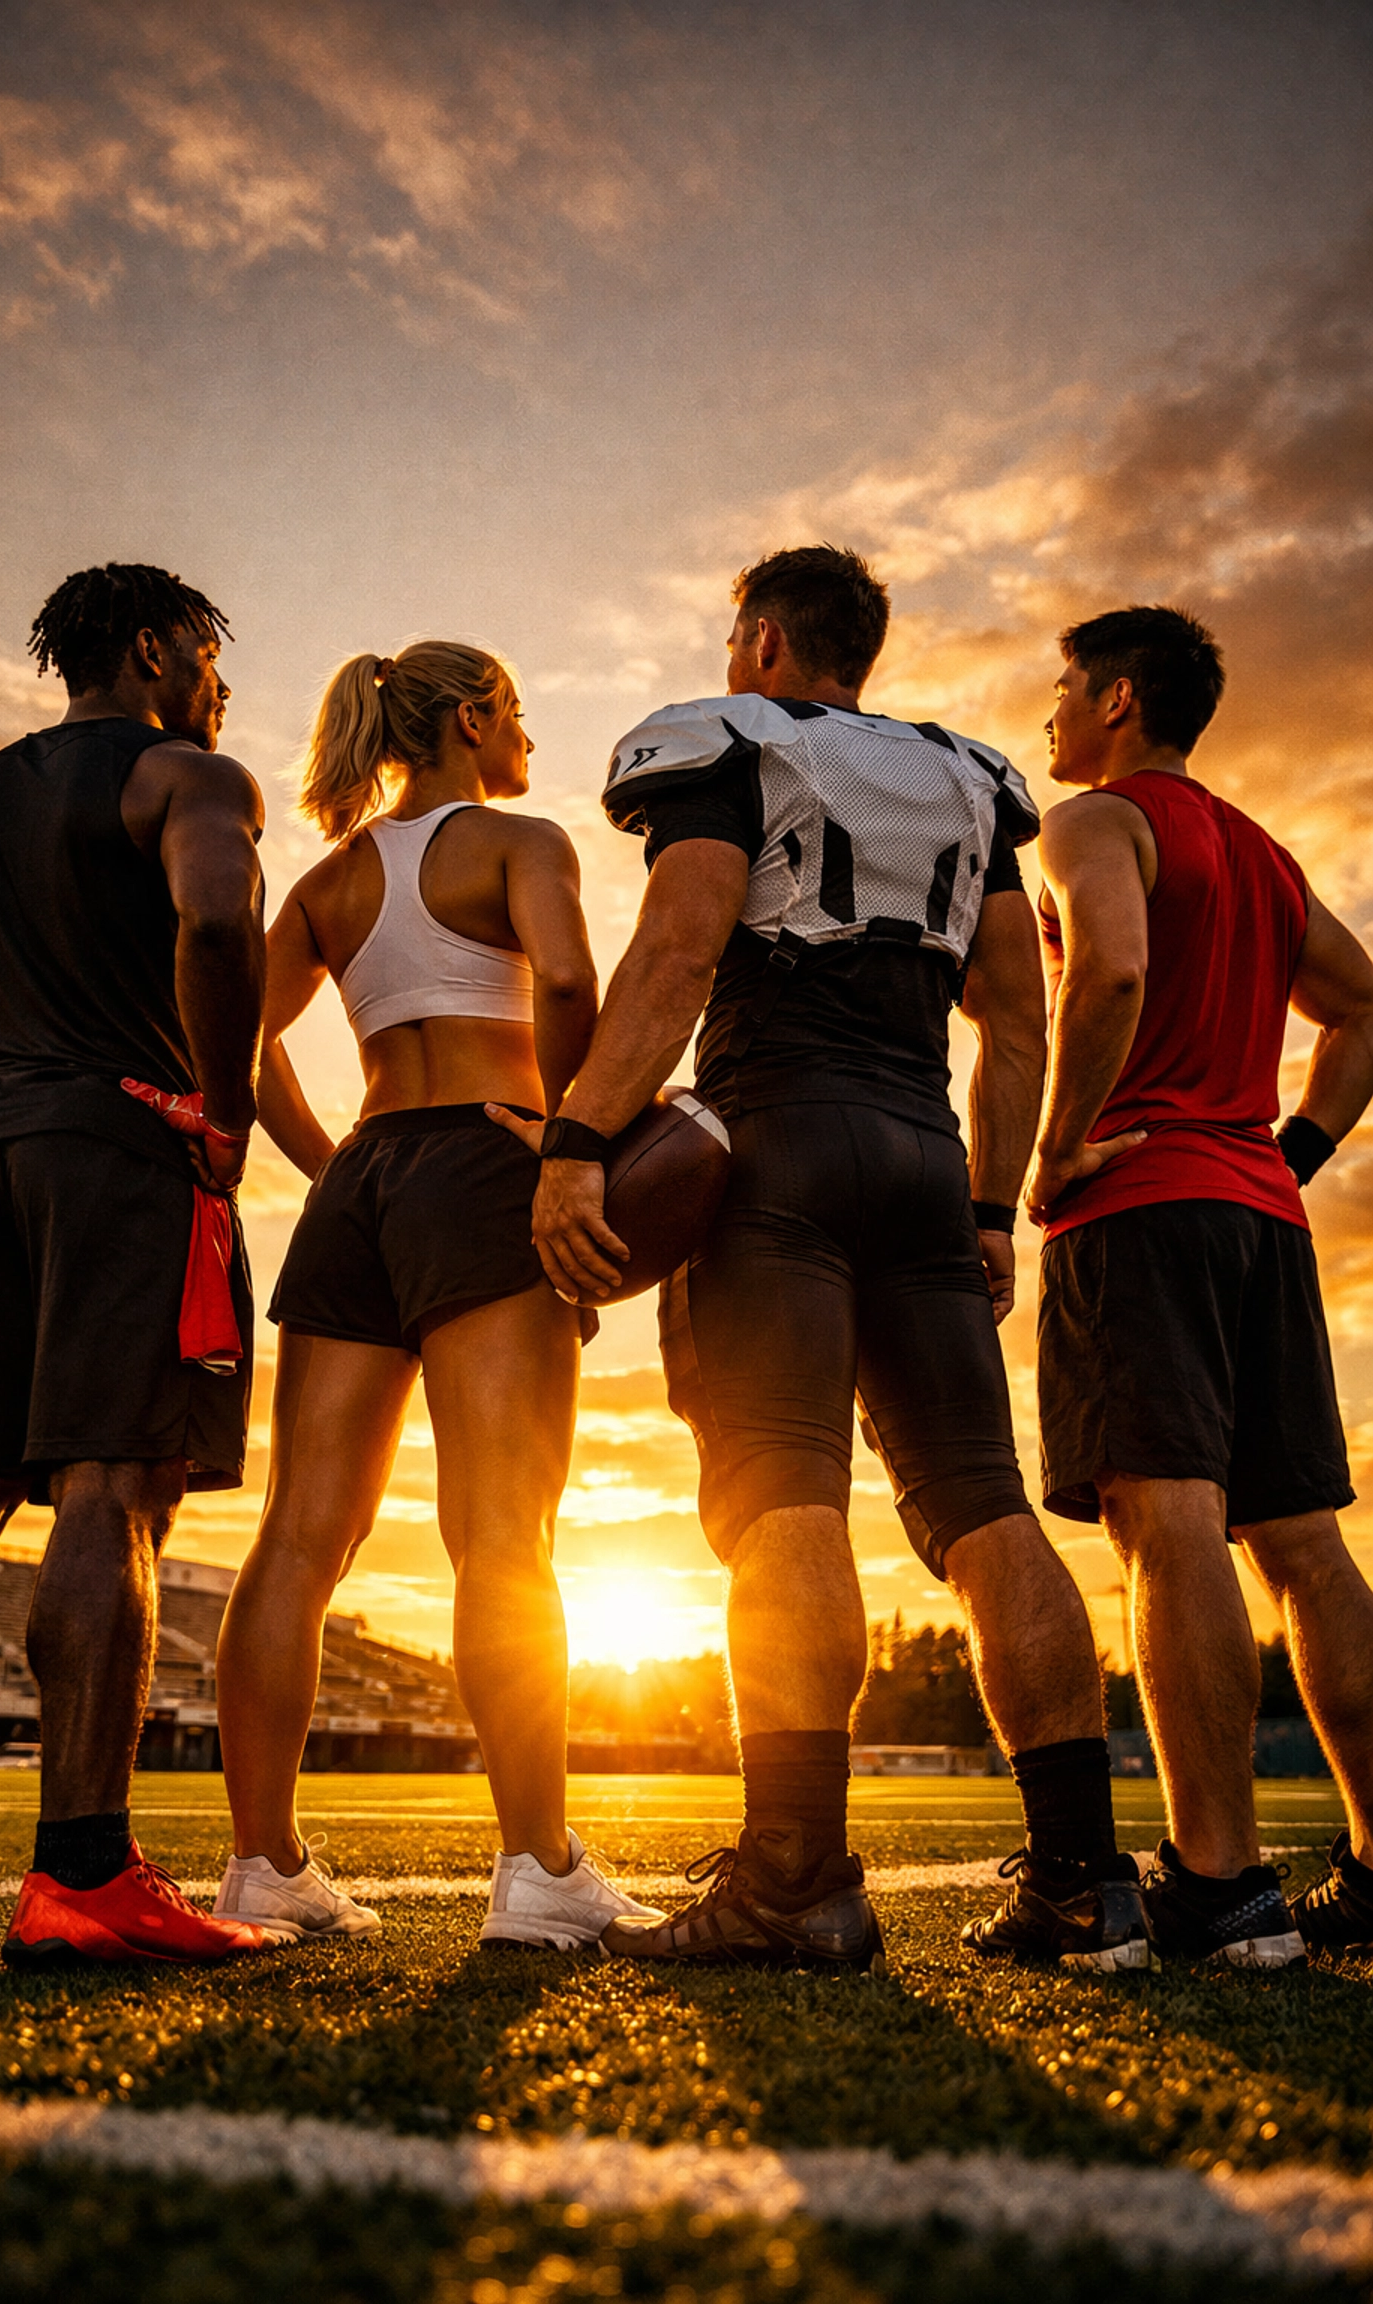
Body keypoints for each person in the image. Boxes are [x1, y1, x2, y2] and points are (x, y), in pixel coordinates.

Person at [492, 545, 1146, 1970]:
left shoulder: (732, 739)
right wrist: (988, 1211)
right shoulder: (968, 778)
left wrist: (577, 1139)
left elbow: (679, 949)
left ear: (767, 641)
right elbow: (1016, 1021)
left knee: (783, 1495)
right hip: (922, 1154)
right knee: (986, 1509)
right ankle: (1086, 1884)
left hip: (776, 1146)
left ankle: (794, 1877)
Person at [0, 562, 277, 1962]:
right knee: (112, 1487)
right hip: (119, 1152)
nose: (219, 688)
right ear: (152, 651)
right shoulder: (190, 778)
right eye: (207, 658)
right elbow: (221, 921)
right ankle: (85, 1874)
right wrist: (224, 1113)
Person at [212, 642, 665, 1950]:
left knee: (299, 1536)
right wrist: (570, 1142)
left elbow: (234, 1035)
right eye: (516, 713)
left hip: (366, 1177)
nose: (526, 738)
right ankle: (540, 1869)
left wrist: (329, 1164)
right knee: (503, 1533)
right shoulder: (522, 844)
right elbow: (569, 983)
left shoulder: (328, 882)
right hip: (487, 1161)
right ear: (472, 719)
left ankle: (261, 1865)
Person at [1029, 604, 1373, 1964]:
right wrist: (1296, 1149)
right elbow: (1365, 1006)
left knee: (1167, 1529)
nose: (1050, 713)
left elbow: (1110, 969)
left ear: (1118, 699)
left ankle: (1221, 1882)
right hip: (1259, 1219)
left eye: (1065, 688)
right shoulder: (1264, 852)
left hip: (1143, 1204)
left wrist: (1056, 1147)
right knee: (1305, 1547)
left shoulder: (1093, 822)